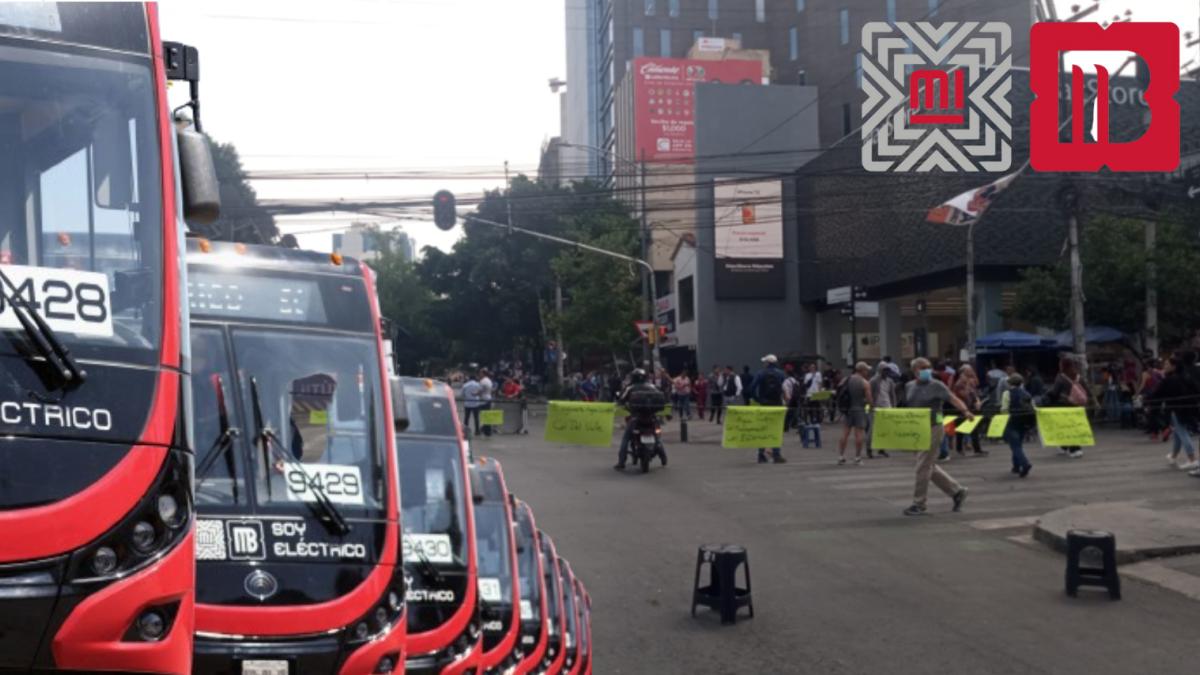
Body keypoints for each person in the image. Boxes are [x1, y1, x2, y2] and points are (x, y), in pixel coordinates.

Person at [902, 357, 974, 516]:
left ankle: (919, 503)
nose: (927, 370)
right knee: (927, 465)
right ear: (915, 371)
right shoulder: (909, 386)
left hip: (934, 426)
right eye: (922, 367)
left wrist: (965, 411)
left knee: (922, 466)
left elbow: (953, 398)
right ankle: (957, 491)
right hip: (917, 428)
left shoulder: (937, 385)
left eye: (928, 367)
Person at [1146, 357, 1199, 471]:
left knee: (1182, 432)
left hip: (1176, 409)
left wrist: (1146, 401)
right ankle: (1173, 456)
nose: (1164, 366)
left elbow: (1157, 393)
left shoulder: (1169, 379)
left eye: (1166, 364)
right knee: (1177, 432)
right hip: (1188, 408)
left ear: (1174, 366)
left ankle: (1192, 459)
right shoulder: (1186, 376)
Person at [614, 369, 667, 470]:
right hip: (652, 417)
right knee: (658, 436)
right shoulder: (653, 387)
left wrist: (620, 403)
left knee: (626, 437)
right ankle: (663, 456)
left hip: (636, 418)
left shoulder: (630, 388)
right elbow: (663, 399)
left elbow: (621, 399)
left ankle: (621, 462)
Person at [749, 355, 788, 464]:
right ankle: (777, 454)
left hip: (764, 404)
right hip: (777, 405)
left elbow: (752, 388)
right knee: (776, 429)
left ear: (767, 363)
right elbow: (786, 388)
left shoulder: (760, 373)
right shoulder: (781, 374)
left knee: (763, 429)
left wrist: (758, 399)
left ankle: (761, 455)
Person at [1044, 357, 1086, 458]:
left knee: (1065, 427)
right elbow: (1085, 389)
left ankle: (1074, 449)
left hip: (1064, 405)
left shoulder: (1061, 377)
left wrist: (1048, 394)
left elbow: (1055, 392)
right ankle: (1065, 446)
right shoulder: (1078, 376)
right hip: (1078, 406)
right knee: (1074, 427)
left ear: (1063, 365)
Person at [837, 362, 873, 465]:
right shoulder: (865, 382)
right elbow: (869, 399)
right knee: (859, 434)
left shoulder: (846, 379)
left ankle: (841, 456)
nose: (867, 372)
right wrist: (870, 406)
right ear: (862, 370)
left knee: (845, 433)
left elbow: (839, 391)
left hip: (848, 409)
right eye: (866, 370)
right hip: (859, 409)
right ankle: (857, 457)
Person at [1001, 373, 1034, 477]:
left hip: (1012, 422)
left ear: (1010, 383)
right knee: (1018, 444)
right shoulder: (1027, 394)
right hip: (1024, 423)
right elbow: (1032, 407)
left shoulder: (1007, 393)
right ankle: (1016, 466)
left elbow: (1004, 410)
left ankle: (1025, 464)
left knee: (1015, 446)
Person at [952, 365, 986, 456]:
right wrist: (967, 384)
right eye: (969, 370)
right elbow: (964, 395)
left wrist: (977, 401)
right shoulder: (959, 384)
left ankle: (976, 449)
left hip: (970, 408)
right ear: (962, 373)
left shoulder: (970, 382)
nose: (971, 372)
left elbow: (974, 394)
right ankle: (961, 448)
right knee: (961, 430)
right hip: (962, 409)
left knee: (971, 429)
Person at [867, 362, 898, 458]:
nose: (887, 373)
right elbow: (869, 394)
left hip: (887, 407)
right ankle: (869, 449)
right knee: (872, 430)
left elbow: (892, 395)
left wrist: (894, 406)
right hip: (876, 408)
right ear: (880, 370)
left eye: (888, 371)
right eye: (885, 370)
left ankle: (882, 449)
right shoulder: (873, 381)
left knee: (885, 429)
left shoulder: (890, 381)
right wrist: (870, 406)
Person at [461, 372, 484, 437]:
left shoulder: (465, 385)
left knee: (466, 418)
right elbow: (480, 393)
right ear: (475, 378)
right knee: (476, 418)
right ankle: (477, 431)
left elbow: (462, 394)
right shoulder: (478, 384)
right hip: (475, 403)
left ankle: (465, 432)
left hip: (467, 403)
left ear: (469, 378)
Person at [782, 364, 801, 432]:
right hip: (796, 399)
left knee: (788, 414)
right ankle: (797, 425)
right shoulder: (794, 380)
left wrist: (787, 401)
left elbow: (786, 392)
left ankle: (786, 427)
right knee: (796, 413)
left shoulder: (785, 382)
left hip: (790, 399)